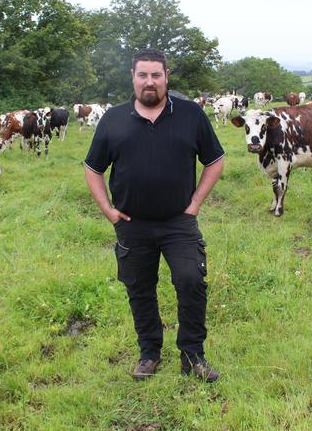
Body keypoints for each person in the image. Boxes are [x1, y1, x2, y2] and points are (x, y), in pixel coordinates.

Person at [84, 49, 225, 382]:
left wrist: (195, 203)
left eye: (156, 75)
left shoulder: (190, 114)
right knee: (140, 288)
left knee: (191, 281)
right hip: (132, 225)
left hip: (179, 221)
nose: (150, 82)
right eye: (143, 75)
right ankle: (149, 353)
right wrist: (108, 210)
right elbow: (93, 169)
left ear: (166, 77)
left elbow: (215, 161)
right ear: (132, 76)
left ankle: (193, 356)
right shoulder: (113, 119)